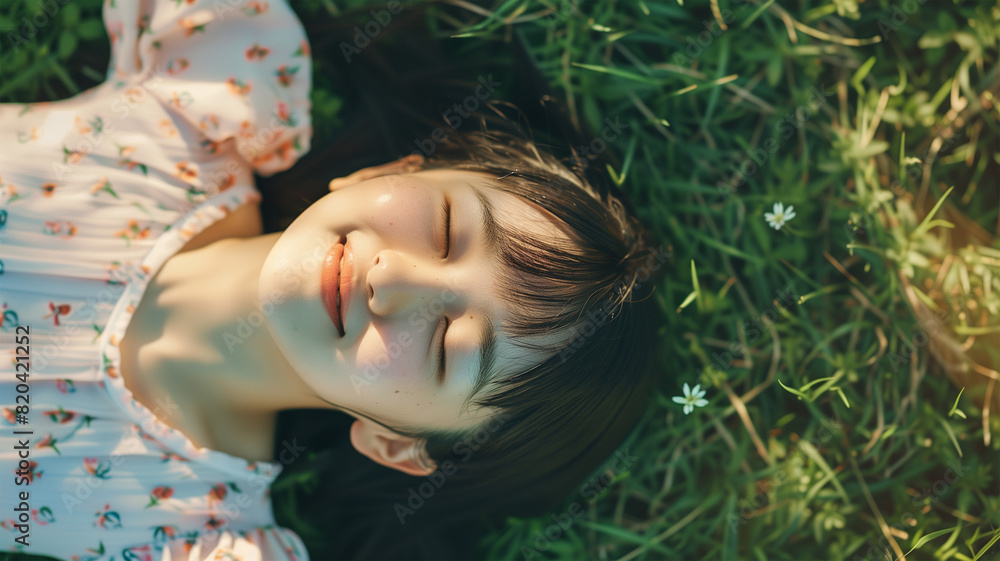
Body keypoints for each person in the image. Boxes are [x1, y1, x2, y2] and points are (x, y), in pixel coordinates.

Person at [0, 1, 663, 560]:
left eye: (443, 344)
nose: (393, 278)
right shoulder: (208, 96)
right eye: (441, 228)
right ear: (388, 173)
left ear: (395, 444)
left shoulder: (191, 533)